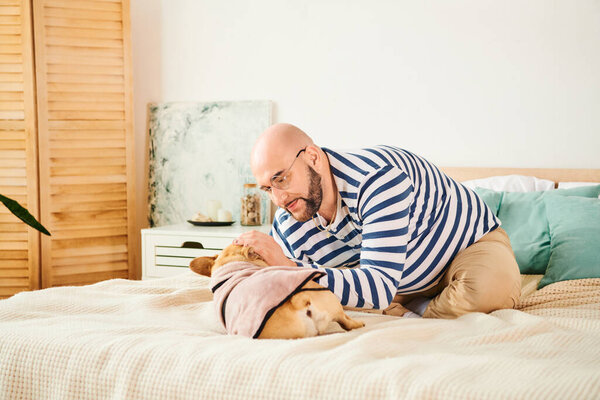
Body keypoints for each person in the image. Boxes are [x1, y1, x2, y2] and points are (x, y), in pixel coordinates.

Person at [234, 123, 521, 318]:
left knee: (486, 290)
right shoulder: (290, 220)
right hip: (396, 282)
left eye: (281, 179)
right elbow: (276, 284)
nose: (279, 200)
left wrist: (290, 268)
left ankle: (411, 311)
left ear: (313, 157)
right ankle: (411, 305)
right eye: (268, 189)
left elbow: (378, 286)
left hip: (466, 249)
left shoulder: (377, 180)